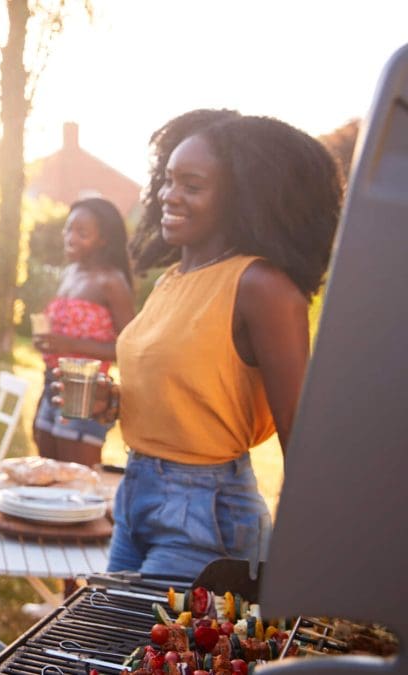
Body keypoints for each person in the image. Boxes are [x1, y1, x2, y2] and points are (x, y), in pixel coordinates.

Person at [69, 109, 343, 580]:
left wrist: (304, 557)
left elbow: (302, 435)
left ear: (239, 199)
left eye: (191, 186)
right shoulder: (171, 281)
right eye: (168, 180)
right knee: (114, 646)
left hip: (207, 518)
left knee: (149, 650)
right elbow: (191, 392)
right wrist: (113, 402)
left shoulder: (262, 286)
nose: (167, 196)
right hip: (136, 496)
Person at [33, 197, 134, 467]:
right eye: (68, 229)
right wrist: (46, 341)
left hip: (87, 394)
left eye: (82, 233)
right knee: (45, 475)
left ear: (103, 240)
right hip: (50, 384)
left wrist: (67, 344)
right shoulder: (70, 273)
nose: (70, 238)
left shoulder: (111, 282)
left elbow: (129, 349)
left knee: (75, 482)